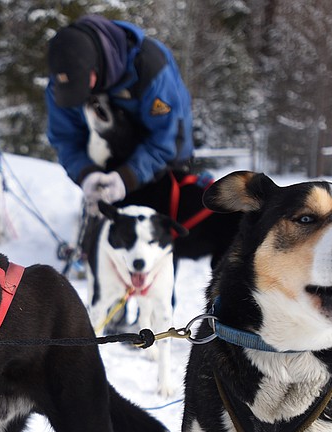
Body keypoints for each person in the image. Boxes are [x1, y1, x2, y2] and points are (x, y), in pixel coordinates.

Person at [45, 15, 235, 308]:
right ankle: (113, 303)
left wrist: (127, 177)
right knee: (113, 235)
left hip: (162, 164)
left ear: (95, 70)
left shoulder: (148, 67)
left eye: (85, 86)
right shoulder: (64, 78)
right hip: (108, 160)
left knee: (153, 240)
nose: (80, 94)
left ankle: (157, 312)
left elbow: (165, 139)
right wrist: (87, 175)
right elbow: (65, 137)